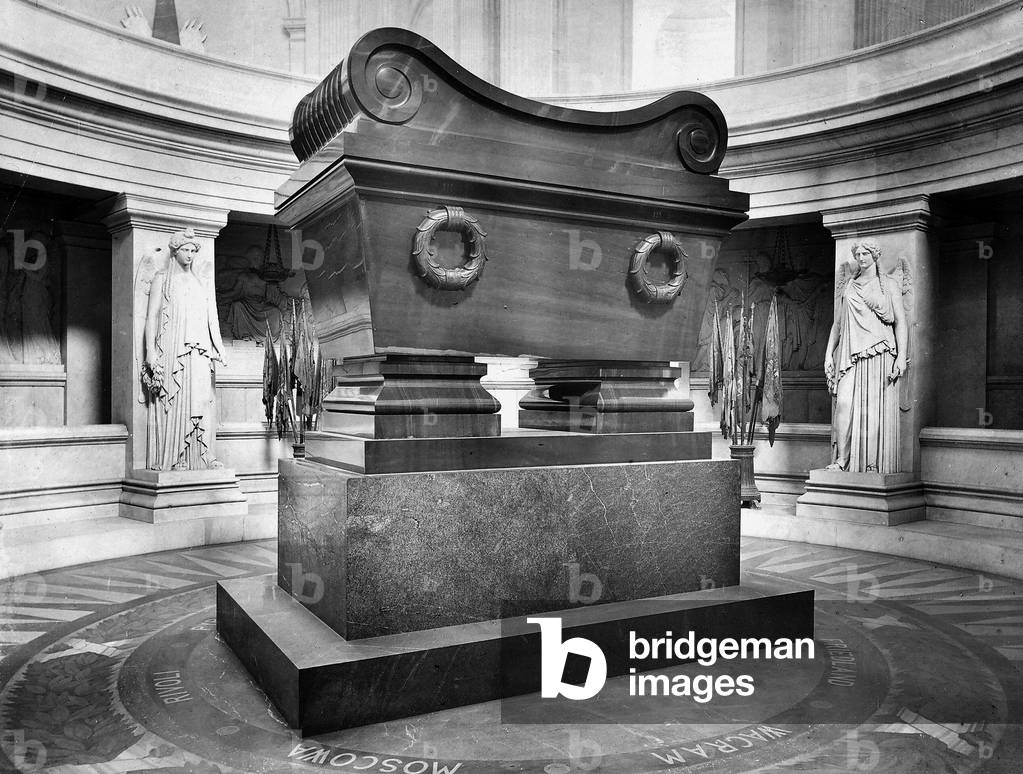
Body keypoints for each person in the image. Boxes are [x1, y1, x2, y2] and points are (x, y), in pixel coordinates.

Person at [143, 228, 226, 470]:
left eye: (192, 251)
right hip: (174, 347)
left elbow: (211, 318)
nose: (189, 255)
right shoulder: (162, 278)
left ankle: (200, 454)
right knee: (178, 397)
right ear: (175, 251)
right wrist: (150, 351)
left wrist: (217, 347)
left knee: (200, 397)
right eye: (185, 250)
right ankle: (176, 456)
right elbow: (151, 317)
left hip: (199, 349)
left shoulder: (199, 282)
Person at [824, 239, 907, 472]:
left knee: (871, 408)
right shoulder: (850, 285)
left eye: (865, 253)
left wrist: (902, 356)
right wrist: (829, 354)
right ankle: (842, 459)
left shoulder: (888, 284)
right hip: (850, 354)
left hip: (879, 351)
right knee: (844, 405)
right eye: (858, 254)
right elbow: (838, 324)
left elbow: (900, 322)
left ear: (875, 255)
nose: (860, 258)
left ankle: (871, 462)